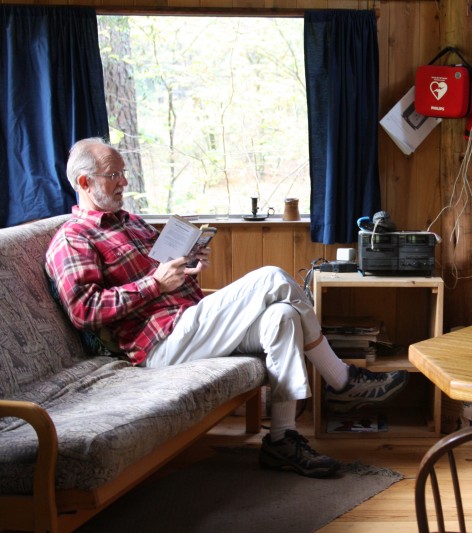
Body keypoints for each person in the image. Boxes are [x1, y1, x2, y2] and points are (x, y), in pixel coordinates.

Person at [45, 137, 408, 479]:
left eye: (124, 172)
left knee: (283, 317)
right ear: (84, 181)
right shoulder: (74, 238)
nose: (124, 181)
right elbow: (84, 310)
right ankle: (340, 380)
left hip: (191, 324)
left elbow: (170, 279)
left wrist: (187, 268)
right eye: (113, 175)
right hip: (159, 344)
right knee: (272, 278)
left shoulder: (134, 224)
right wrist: (154, 283)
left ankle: (281, 440)